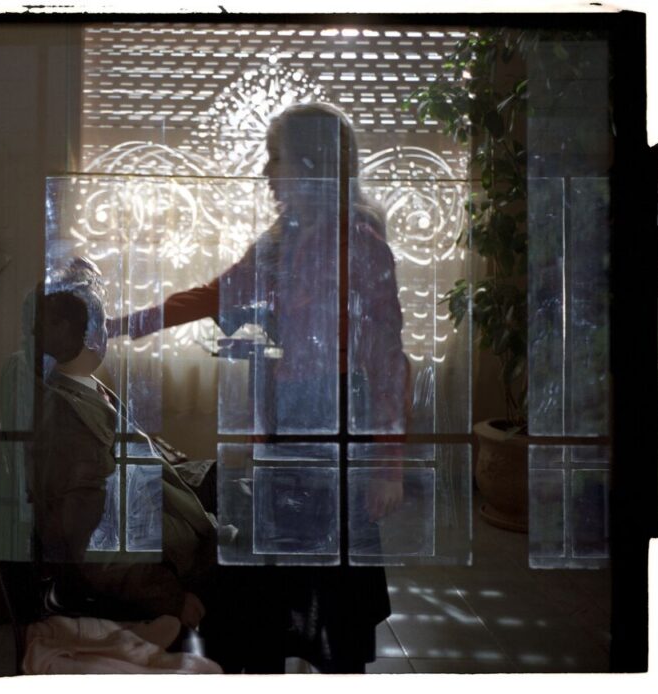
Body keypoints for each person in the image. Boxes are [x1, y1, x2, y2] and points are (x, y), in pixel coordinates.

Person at [109, 102, 409, 673]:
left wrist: (389, 466)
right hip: (289, 424)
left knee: (335, 593)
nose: (268, 173)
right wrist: (126, 324)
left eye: (278, 159)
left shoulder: (361, 244)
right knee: (276, 588)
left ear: (313, 164)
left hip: (340, 425)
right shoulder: (280, 240)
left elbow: (389, 360)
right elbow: (214, 294)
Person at [26, 261, 217, 630]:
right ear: (65, 328)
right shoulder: (66, 416)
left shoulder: (82, 386)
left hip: (168, 535)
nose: (106, 329)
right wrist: (170, 599)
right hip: (162, 568)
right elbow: (94, 541)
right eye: (99, 316)